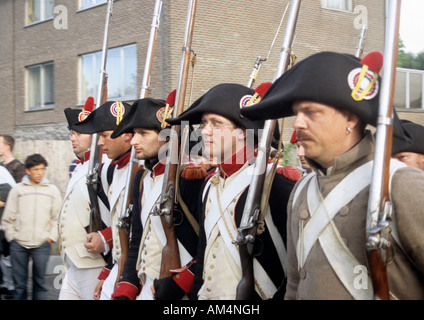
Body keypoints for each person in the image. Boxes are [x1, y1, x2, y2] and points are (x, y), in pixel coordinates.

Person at [240, 51, 424, 300]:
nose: (297, 124)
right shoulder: (302, 190)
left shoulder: (399, 183)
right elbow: (294, 284)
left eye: (311, 112)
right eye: (297, 113)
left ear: (350, 116)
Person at [153, 83, 297, 300]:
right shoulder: (210, 186)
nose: (204, 131)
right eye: (204, 123)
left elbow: (296, 270)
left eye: (216, 123)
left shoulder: (275, 184)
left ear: (243, 131)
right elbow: (204, 259)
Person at [109, 93, 204, 300]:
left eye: (143, 133)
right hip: (147, 284)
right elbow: (137, 240)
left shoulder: (189, 178)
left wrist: (180, 283)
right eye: (134, 133)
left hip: (179, 290)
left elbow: (207, 247)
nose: (134, 140)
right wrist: (128, 285)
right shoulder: (142, 179)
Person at [72, 100, 133, 300]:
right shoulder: (114, 170)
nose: (99, 142)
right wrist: (108, 272)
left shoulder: (134, 172)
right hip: (115, 263)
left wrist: (105, 238)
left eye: (105, 136)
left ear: (126, 134)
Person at [58, 98, 113, 300]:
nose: (73, 138)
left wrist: (107, 237)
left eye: (79, 133)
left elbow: (125, 212)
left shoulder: (106, 166)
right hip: (73, 262)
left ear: (94, 134)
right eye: (72, 133)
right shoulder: (80, 166)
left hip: (96, 262)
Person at [1, 153, 62, 300]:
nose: (40, 173)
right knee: (19, 286)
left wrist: (50, 237)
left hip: (42, 244)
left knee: (40, 284)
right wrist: (12, 238)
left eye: (42, 169)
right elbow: (8, 218)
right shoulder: (18, 190)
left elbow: (57, 218)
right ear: (27, 171)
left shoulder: (52, 190)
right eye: (36, 169)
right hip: (19, 244)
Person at [0, 166, 16, 299]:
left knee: (6, 258)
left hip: (4, 226)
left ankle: (11, 287)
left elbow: (5, 199)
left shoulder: (2, 173)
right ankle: (6, 284)